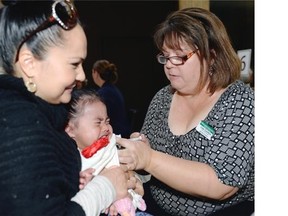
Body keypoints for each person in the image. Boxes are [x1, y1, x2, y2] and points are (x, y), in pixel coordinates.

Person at [117, 7, 254, 216]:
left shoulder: (239, 100)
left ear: (212, 56)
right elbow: (151, 167)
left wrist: (149, 159)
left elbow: (223, 183)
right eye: (165, 56)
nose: (169, 65)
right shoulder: (163, 98)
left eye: (180, 56)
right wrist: (140, 161)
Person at [0, 1, 133, 215]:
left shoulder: (39, 113)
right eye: (74, 64)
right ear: (29, 63)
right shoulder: (18, 125)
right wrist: (106, 186)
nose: (81, 75)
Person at [65, 89, 147, 216]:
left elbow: (137, 166)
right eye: (98, 123)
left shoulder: (113, 143)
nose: (106, 128)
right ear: (70, 129)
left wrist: (139, 144)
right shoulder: (68, 161)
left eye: (107, 122)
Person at [92, 59, 131, 138]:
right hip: (123, 131)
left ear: (95, 73)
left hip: (116, 134)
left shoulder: (103, 93)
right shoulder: (112, 89)